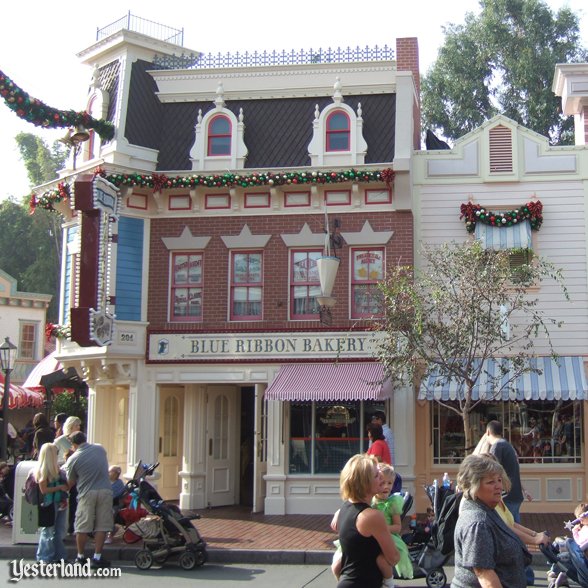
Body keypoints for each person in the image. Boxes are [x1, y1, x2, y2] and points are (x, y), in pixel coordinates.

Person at [451, 453, 531, 588]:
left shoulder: (487, 510)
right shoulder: (478, 524)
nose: (498, 486)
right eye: (491, 482)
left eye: (499, 480)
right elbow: (485, 577)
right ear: (473, 486)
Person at [333, 453, 399, 588]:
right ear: (363, 484)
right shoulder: (372, 516)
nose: (381, 477)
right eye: (376, 475)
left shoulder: (345, 508)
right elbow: (393, 558)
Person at [65, 431, 113, 568]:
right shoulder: (100, 449)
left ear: (73, 444)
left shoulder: (74, 459)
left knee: (82, 525)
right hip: (105, 490)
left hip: (87, 492)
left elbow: (70, 483)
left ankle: (80, 556)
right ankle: (97, 557)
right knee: (102, 525)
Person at [485, 420, 531, 523]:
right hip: (515, 494)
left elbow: (491, 472)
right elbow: (514, 470)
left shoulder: (497, 446)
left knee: (507, 529)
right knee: (514, 528)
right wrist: (524, 490)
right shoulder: (507, 445)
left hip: (507, 496)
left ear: (488, 432)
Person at [34, 443, 68, 563]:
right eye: (56, 452)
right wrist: (59, 488)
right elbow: (44, 490)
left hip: (58, 502)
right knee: (48, 531)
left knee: (59, 531)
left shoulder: (56, 469)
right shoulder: (44, 470)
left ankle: (59, 556)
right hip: (48, 503)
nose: (58, 454)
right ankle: (44, 557)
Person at [105, 465, 125, 544]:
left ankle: (109, 535)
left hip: (115, 504)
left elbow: (117, 495)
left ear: (116, 474)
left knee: (111, 513)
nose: (108, 473)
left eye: (110, 472)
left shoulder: (119, 483)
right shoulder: (105, 481)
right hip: (104, 503)